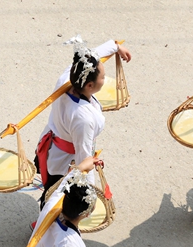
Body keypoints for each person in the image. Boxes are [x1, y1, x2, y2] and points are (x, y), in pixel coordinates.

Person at [34, 36, 131, 205]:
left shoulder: (68, 79)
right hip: (66, 161)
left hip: (54, 146)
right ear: (90, 86)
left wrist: (114, 46)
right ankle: (46, 227)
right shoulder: (82, 119)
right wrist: (89, 194)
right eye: (103, 77)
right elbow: (83, 159)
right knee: (58, 197)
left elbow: (91, 58)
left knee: (53, 191)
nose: (105, 79)